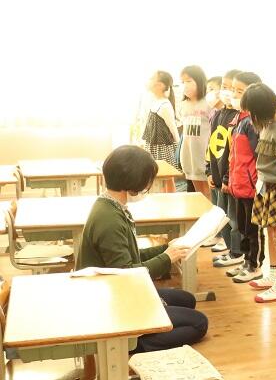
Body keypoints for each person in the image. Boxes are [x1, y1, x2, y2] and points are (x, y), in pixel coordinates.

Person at [76, 145, 208, 352]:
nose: (148, 186)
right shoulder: (109, 220)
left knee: (187, 300)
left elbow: (131, 257)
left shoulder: (110, 205)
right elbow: (128, 274)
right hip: (112, 301)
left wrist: (165, 249)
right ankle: (132, 344)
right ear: (134, 181)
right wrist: (167, 258)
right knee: (199, 324)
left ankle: (143, 331)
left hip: (117, 289)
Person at [242, 83, 276, 303]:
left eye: (252, 111)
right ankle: (272, 276)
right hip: (264, 186)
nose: (250, 116)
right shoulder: (266, 125)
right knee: (271, 234)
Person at [227, 72, 265, 284]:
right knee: (242, 226)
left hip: (251, 186)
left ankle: (254, 264)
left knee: (253, 229)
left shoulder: (253, 123)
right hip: (238, 184)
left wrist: (255, 182)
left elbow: (258, 156)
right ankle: (245, 260)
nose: (234, 95)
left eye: (239, 91)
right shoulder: (239, 120)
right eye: (233, 90)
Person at [204, 70, 241, 262]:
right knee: (221, 215)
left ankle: (237, 252)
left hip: (231, 179)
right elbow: (212, 145)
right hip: (217, 175)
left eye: (231, 88)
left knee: (234, 219)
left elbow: (234, 153)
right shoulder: (218, 115)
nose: (227, 92)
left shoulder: (238, 117)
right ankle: (229, 248)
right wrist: (209, 170)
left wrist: (227, 177)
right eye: (225, 87)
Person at [178, 65, 212, 199]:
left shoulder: (208, 104)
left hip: (204, 155)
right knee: (198, 193)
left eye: (189, 81)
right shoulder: (183, 105)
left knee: (208, 192)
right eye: (182, 82)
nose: (185, 85)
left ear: (199, 81)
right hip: (189, 155)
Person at [142, 71, 179, 178]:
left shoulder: (165, 105)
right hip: (152, 146)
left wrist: (179, 148)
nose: (149, 81)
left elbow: (173, 128)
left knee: (166, 177)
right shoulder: (155, 102)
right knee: (154, 177)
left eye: (152, 79)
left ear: (160, 85)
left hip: (162, 148)